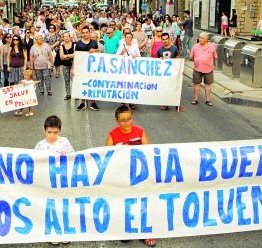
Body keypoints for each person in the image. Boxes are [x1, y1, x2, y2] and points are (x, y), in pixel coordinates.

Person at [104, 105, 154, 247]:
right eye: (123, 120)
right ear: (116, 121)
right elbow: (106, 157)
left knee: (142, 202)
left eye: (129, 119)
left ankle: (145, 231)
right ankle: (126, 229)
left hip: (139, 175)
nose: (127, 123)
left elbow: (149, 151)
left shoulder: (140, 131)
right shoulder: (112, 135)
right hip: (122, 176)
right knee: (124, 203)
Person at [75, 26, 100, 111]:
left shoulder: (94, 42)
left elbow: (98, 52)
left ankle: (93, 103)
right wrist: (73, 68)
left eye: (87, 32)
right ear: (81, 33)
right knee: (82, 84)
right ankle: (82, 103)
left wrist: (95, 50)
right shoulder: (78, 43)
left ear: (89, 33)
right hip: (81, 68)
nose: (85, 34)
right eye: (83, 32)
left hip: (92, 68)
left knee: (92, 84)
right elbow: (76, 56)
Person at [157, 32, 183, 111]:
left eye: (166, 39)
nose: (165, 41)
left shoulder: (174, 48)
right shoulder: (160, 50)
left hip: (173, 71)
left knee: (174, 88)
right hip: (164, 73)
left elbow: (178, 59)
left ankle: (176, 103)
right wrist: (159, 59)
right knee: (164, 88)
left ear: (169, 39)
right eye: (163, 39)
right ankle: (165, 103)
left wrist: (180, 70)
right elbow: (157, 62)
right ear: (161, 40)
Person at [190, 32, 217, 107]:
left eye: (202, 38)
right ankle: (195, 99)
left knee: (208, 84)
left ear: (206, 39)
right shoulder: (195, 46)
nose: (200, 39)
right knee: (196, 84)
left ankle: (208, 100)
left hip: (208, 68)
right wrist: (197, 61)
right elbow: (191, 57)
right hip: (197, 68)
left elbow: (215, 57)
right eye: (199, 37)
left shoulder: (212, 46)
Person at [59, 32, 75, 100]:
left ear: (69, 37)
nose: (66, 38)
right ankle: (68, 94)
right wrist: (70, 56)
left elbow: (75, 54)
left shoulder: (74, 44)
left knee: (74, 80)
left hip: (73, 65)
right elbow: (61, 56)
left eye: (67, 36)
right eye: (64, 36)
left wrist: (67, 56)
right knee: (66, 80)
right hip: (65, 65)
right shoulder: (61, 46)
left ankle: (75, 93)